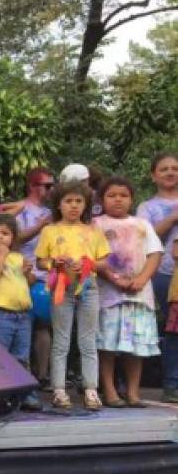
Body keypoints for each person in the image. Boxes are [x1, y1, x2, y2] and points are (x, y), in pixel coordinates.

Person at [36, 181, 110, 410]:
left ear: (86, 204)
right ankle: (59, 390)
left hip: (88, 287)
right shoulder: (49, 231)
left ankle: (91, 390)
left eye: (79, 201)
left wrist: (88, 265)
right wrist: (53, 263)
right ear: (59, 204)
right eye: (68, 201)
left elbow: (105, 261)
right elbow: (40, 261)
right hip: (62, 287)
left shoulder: (93, 230)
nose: (74, 206)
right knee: (61, 339)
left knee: (88, 340)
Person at [94, 177, 162, 407]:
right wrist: (114, 278)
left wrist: (142, 278)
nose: (118, 200)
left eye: (123, 195)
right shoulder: (96, 224)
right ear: (102, 199)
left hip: (139, 295)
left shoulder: (143, 224)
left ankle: (133, 393)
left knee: (136, 346)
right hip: (109, 296)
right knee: (107, 345)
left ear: (131, 199)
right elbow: (93, 259)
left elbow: (155, 254)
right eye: (111, 195)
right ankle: (110, 391)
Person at [0, 213, 40, 410]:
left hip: (22, 315)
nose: (0, 237)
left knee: (22, 356)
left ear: (13, 238)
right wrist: (2, 255)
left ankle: (25, 394)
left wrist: (28, 273)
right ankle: (0, 396)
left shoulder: (18, 257)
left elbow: (28, 283)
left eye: (5, 233)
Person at [137, 152, 178, 403]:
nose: (171, 172)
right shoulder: (146, 207)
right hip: (164, 274)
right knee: (173, 329)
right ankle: (172, 383)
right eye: (164, 169)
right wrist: (172, 217)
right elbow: (144, 239)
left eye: (175, 168)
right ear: (154, 175)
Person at [14, 167, 54, 387]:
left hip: (46, 275)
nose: (51, 190)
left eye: (52, 185)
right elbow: (14, 239)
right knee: (22, 326)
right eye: (46, 185)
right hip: (22, 273)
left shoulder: (52, 210)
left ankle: (43, 375)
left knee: (44, 326)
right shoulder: (20, 209)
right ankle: (22, 375)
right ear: (32, 186)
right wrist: (41, 226)